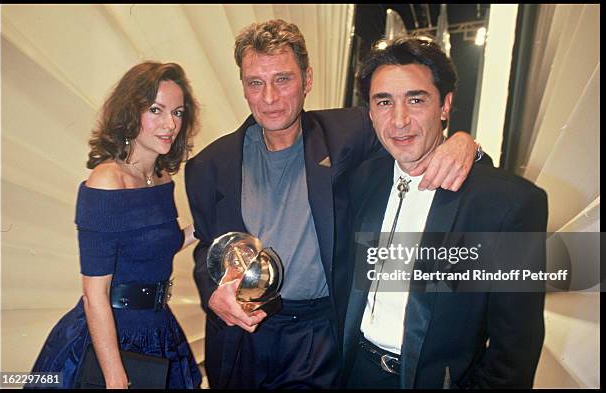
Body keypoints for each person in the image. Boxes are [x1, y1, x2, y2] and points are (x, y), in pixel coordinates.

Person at [184, 19, 479, 389]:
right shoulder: (209, 167)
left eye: (283, 79)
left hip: (318, 335)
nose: (270, 98)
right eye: (255, 83)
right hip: (244, 334)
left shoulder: (350, 133)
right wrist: (213, 292)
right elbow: (207, 248)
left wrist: (464, 141)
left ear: (307, 80)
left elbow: (411, 131)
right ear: (243, 86)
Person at [342, 38, 547, 388]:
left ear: (445, 105)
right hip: (354, 372)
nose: (400, 120)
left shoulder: (507, 205)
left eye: (416, 100)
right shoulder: (362, 179)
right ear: (371, 113)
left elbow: (514, 353)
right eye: (384, 102)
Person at [28, 62, 202, 389]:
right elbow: (95, 295)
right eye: (156, 110)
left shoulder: (161, 179)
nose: (170, 124)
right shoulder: (107, 182)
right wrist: (115, 377)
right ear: (130, 112)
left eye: (178, 112)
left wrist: (202, 228)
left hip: (158, 326)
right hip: (110, 337)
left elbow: (153, 250)